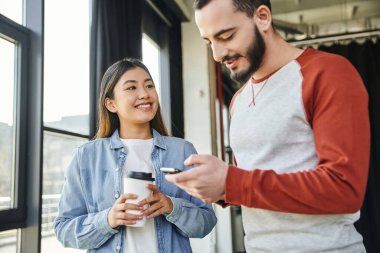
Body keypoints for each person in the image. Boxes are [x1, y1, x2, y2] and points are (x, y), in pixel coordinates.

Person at [166, 0, 370, 252]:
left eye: (226, 36)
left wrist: (231, 182)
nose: (217, 55)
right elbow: (255, 183)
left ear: (262, 17)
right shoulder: (238, 102)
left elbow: (343, 189)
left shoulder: (327, 73)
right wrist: (216, 187)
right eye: (209, 43)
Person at [54, 58, 217, 253]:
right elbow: (63, 229)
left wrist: (171, 206)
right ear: (111, 104)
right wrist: (108, 220)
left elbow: (206, 222)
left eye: (149, 86)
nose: (144, 94)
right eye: (131, 88)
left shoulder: (182, 151)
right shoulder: (86, 156)